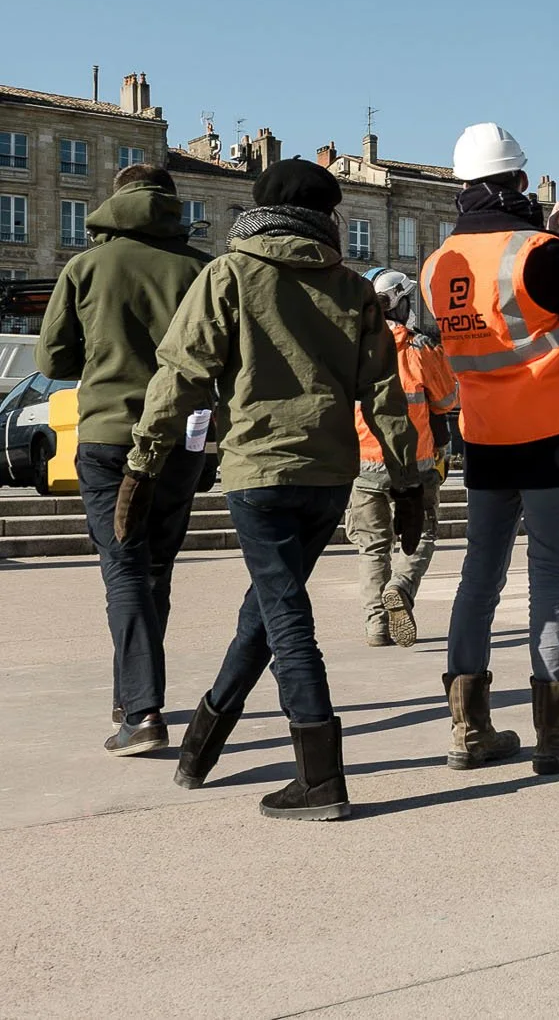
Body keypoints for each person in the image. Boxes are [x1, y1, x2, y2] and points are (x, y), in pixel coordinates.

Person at [132, 159, 420, 820]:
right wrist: (405, 480)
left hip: (258, 472)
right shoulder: (352, 288)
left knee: (285, 616)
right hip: (328, 476)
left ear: (257, 209)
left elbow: (179, 375)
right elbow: (384, 391)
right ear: (327, 216)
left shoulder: (227, 276)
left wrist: (143, 465)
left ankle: (319, 778)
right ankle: (202, 743)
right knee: (263, 611)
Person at [422, 123, 559, 775]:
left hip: (486, 440)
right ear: (519, 179)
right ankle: (556, 732)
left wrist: (554, 228)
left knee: (478, 578)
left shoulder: (439, 264)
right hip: (553, 440)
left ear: (463, 185)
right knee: (550, 576)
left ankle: (468, 728)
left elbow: (509, 294)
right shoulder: (539, 252)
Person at [37, 163, 212, 756]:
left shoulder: (85, 267)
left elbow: (53, 359)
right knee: (156, 565)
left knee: (122, 566)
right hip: (182, 436)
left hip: (110, 434)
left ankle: (141, 710)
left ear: (114, 202)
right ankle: (131, 690)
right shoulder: (201, 268)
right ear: (171, 204)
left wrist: (105, 353)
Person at [348, 268, 458, 648]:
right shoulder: (419, 347)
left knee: (372, 546)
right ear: (398, 303)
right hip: (417, 462)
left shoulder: (350, 347)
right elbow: (446, 400)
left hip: (363, 461)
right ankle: (402, 586)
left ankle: (377, 625)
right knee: (423, 533)